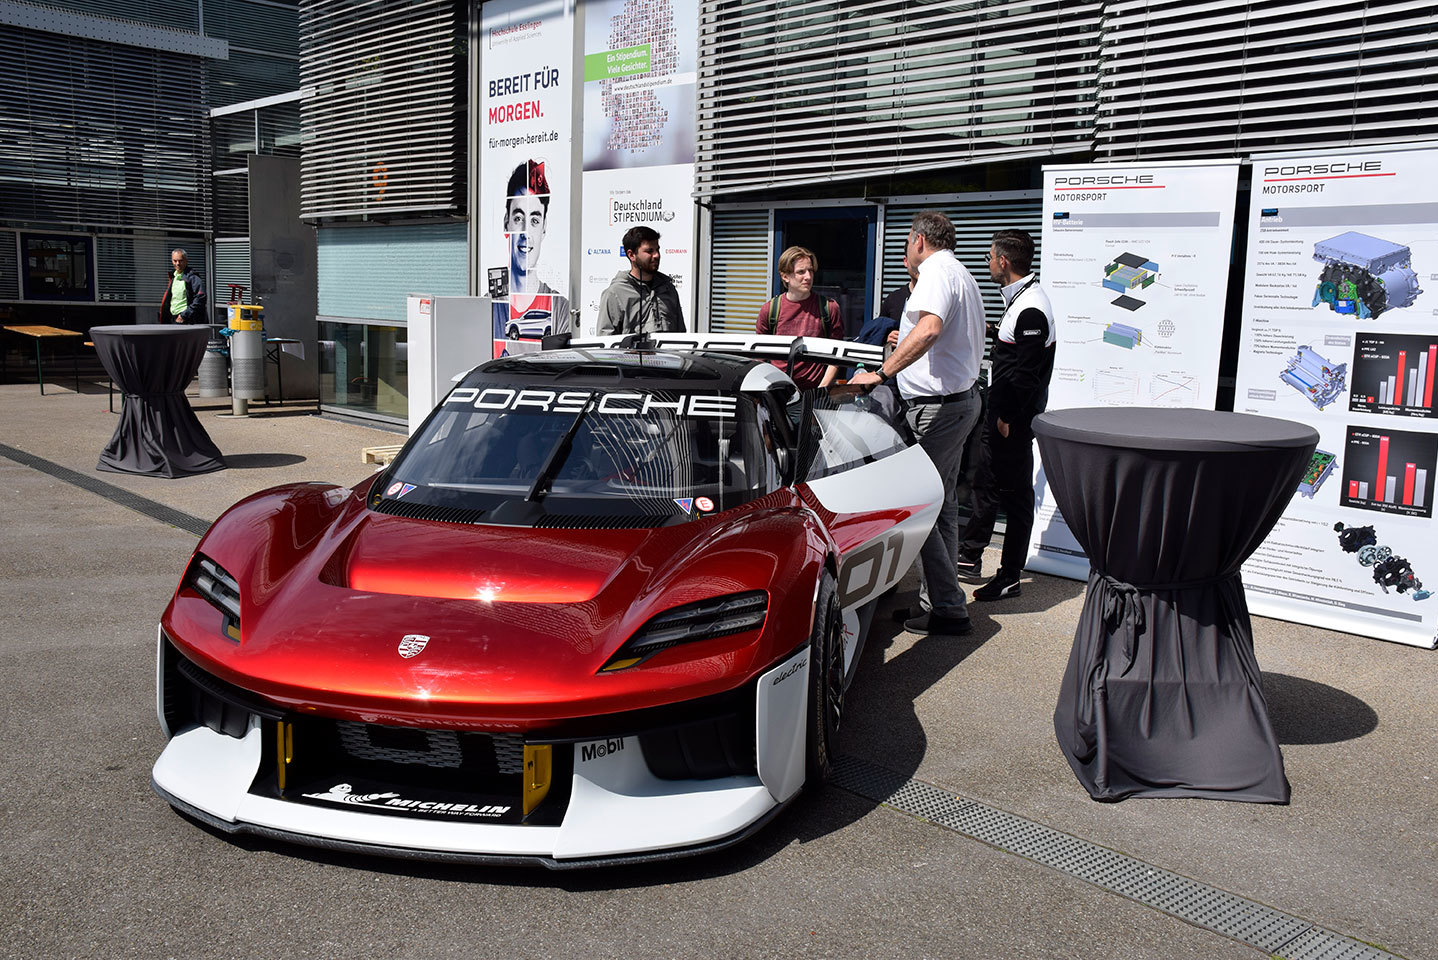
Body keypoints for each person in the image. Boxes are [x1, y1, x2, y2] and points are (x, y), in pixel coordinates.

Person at [848, 211, 986, 636]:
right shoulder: (959, 273)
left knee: (919, 505)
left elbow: (929, 329)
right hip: (953, 404)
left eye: (907, 243)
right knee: (940, 503)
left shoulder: (936, 272)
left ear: (920, 240)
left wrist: (883, 372)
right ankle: (940, 603)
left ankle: (948, 606)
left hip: (938, 410)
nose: (906, 252)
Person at [959, 230, 1056, 600]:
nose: (987, 263)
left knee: (1015, 497)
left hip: (1011, 423)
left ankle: (1010, 574)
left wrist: (1008, 419)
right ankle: (970, 556)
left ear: (1003, 261)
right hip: (1000, 417)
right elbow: (1014, 351)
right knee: (986, 483)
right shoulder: (1020, 302)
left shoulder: (1032, 307)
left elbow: (1027, 374)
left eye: (988, 257)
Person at [755, 245, 843, 389]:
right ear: (785, 276)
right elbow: (759, 357)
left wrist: (821, 390)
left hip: (815, 392)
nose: (808, 277)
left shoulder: (829, 308)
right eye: (801, 272)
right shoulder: (769, 310)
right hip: (777, 391)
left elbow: (837, 355)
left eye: (810, 270)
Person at [597, 225, 686, 335]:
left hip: (666, 352)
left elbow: (681, 335)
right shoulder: (615, 293)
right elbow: (606, 342)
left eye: (657, 250)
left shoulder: (668, 289)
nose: (656, 255)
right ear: (631, 255)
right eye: (649, 251)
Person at [504, 160, 554, 296]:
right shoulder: (488, 305)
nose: (525, 233)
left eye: (534, 221)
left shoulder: (560, 307)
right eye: (518, 219)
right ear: (506, 223)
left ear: (544, 228)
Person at [159, 249, 206, 323]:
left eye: (180, 261)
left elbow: (201, 297)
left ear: (186, 261)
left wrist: (185, 315)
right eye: (175, 261)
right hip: (173, 318)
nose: (177, 263)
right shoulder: (173, 276)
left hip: (186, 319)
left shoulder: (192, 277)